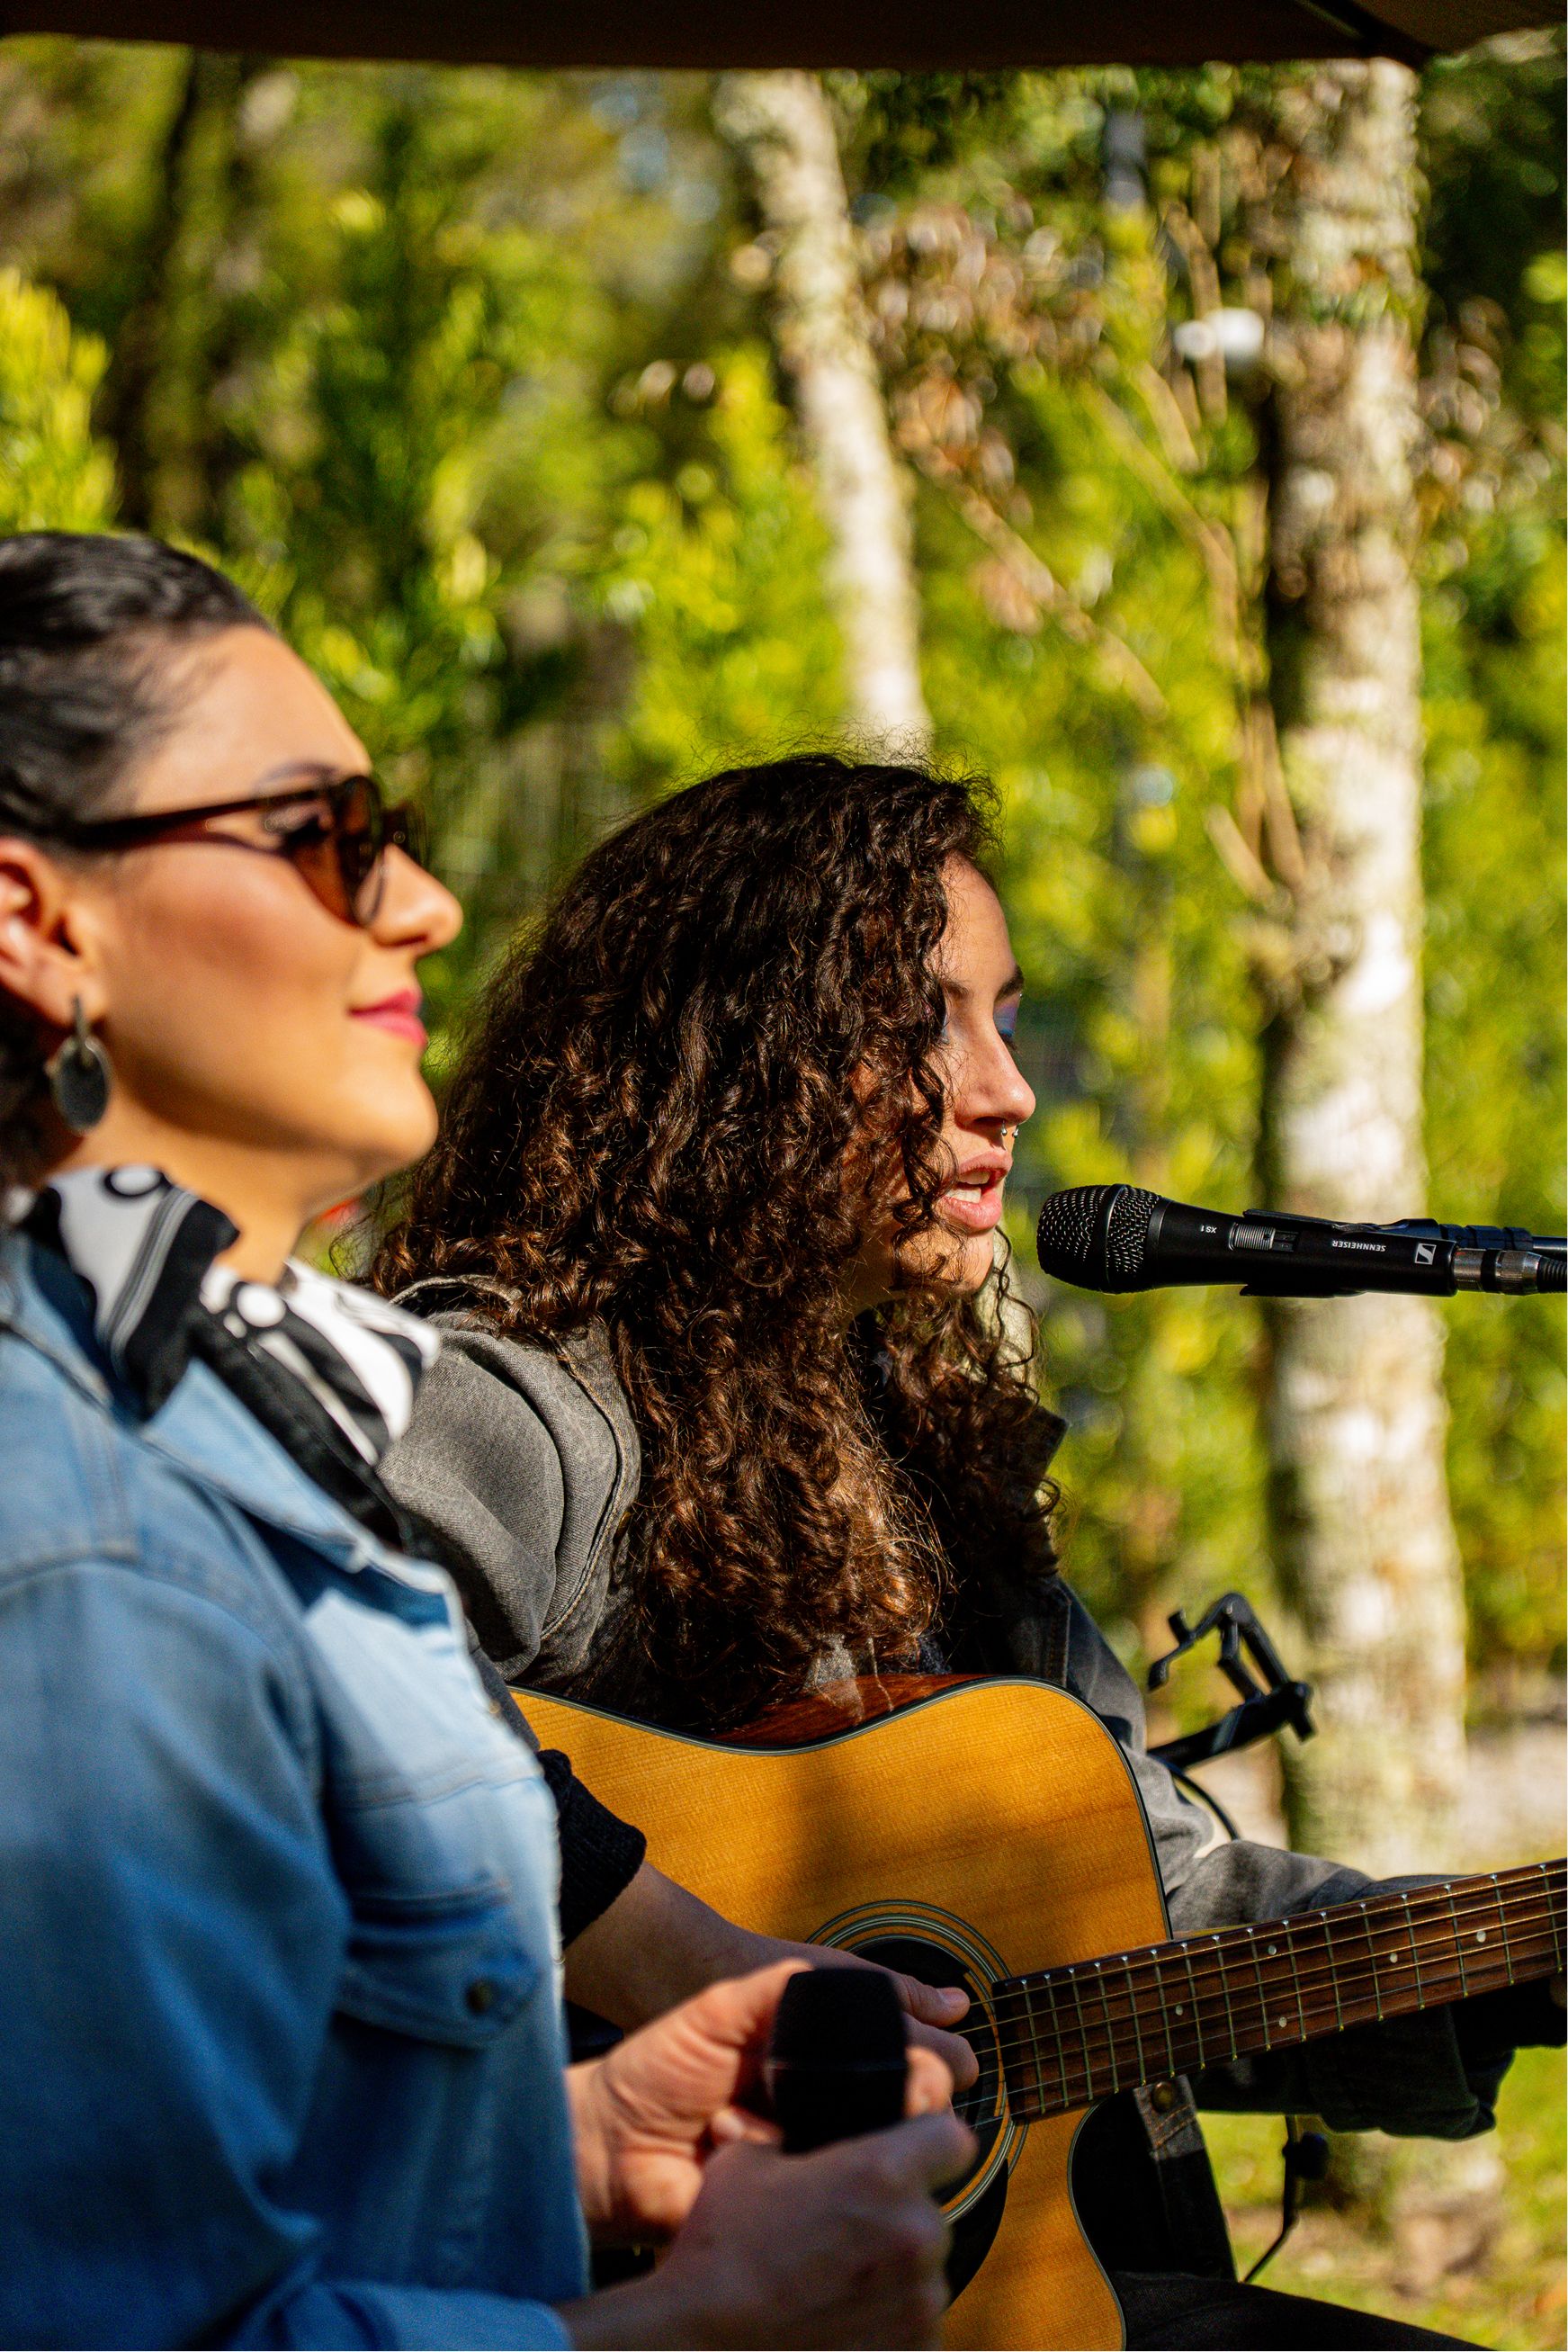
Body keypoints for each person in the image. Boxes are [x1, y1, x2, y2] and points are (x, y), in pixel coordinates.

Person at [376, 753, 1564, 2352]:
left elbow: (1160, 1900)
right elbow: (311, 1690)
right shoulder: (520, 1399)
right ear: (736, 1058)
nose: (1002, 1087)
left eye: (1003, 1017)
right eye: (924, 1021)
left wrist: (1507, 1963)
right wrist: (682, 1970)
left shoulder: (933, 1454)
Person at [0, 534, 972, 2351]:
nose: (428, 902)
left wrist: (577, 2139)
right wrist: (703, 2330)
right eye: (325, 833)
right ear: (42, 919)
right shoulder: (70, 1540)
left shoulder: (215, 1418)